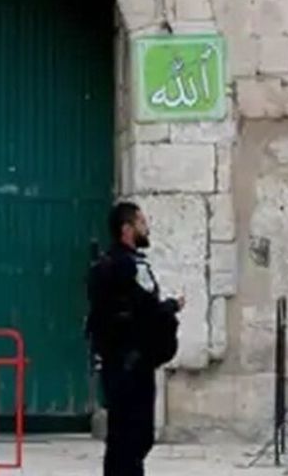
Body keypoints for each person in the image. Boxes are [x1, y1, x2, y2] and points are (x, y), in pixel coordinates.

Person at [86, 202, 185, 476]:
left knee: (124, 439)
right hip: (132, 365)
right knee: (133, 438)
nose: (146, 228)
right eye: (141, 223)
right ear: (127, 229)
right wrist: (171, 307)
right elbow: (146, 309)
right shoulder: (128, 266)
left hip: (120, 363)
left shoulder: (108, 264)